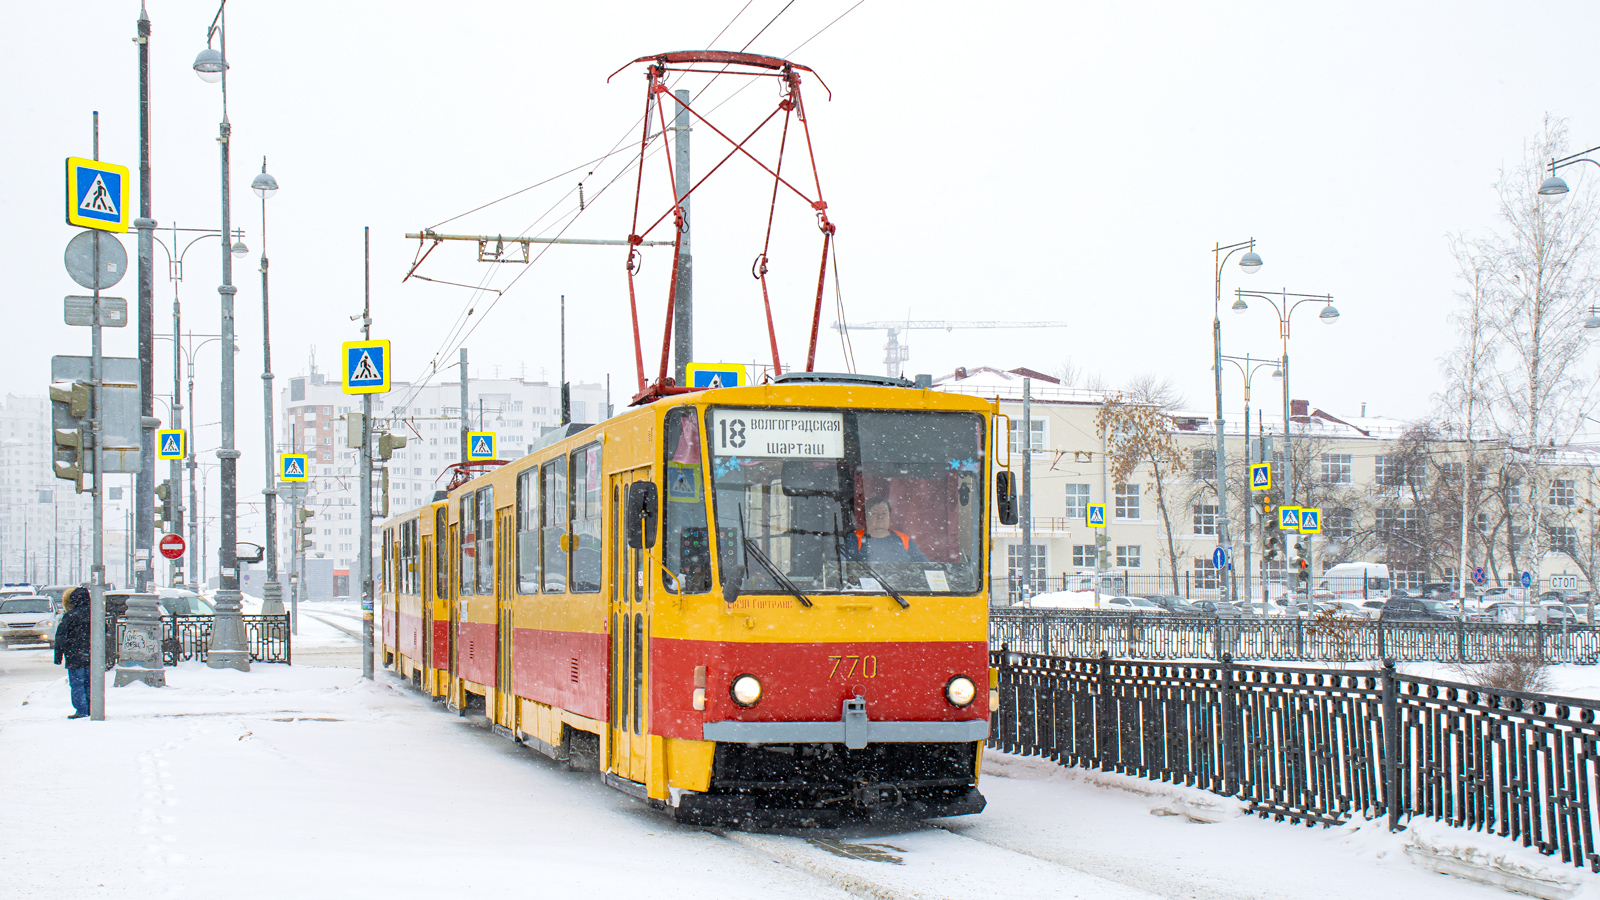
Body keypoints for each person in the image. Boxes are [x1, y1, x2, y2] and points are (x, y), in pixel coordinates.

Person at [54, 587, 92, 719]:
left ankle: (82, 710)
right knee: (90, 683)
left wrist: (58, 656)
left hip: (74, 655)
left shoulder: (70, 615)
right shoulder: (95, 614)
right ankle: (92, 707)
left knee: (77, 684)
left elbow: (61, 636)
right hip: (92, 655)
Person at [852, 497, 928, 563]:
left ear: (889, 516)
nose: (880, 517)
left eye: (884, 513)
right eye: (874, 513)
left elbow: (924, 566)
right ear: (866, 517)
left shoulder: (903, 539)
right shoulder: (855, 538)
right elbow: (848, 568)